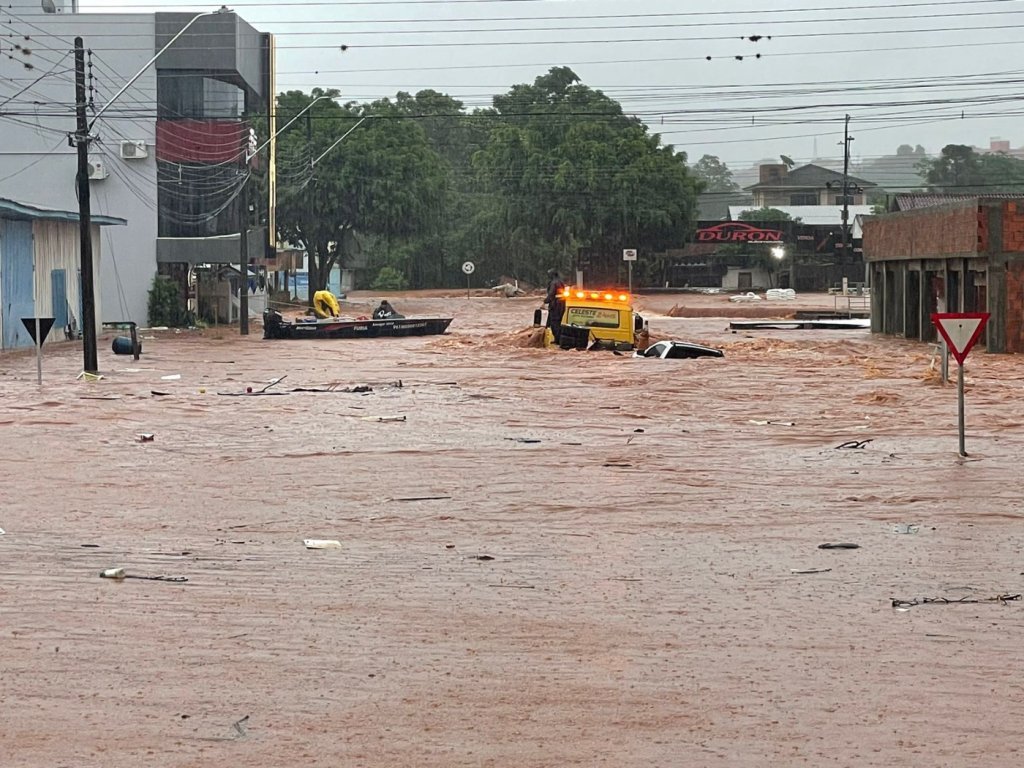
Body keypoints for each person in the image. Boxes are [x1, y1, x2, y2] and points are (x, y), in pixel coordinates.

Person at [544, 269, 566, 343]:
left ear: (552, 275)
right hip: (562, 304)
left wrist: (545, 301)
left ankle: (557, 340)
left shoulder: (554, 283)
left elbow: (551, 294)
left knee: (554, 323)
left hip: (555, 305)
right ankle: (558, 339)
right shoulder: (561, 282)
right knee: (558, 322)